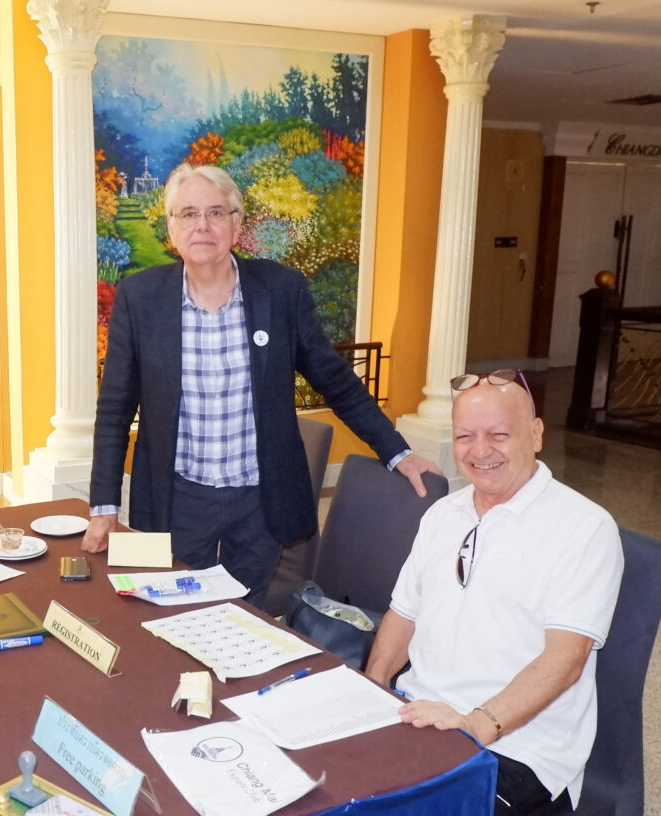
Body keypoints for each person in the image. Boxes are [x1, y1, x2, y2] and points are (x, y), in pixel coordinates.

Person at [83, 163, 438, 605]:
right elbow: (115, 409)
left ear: (236, 224)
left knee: (246, 613)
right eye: (188, 214)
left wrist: (396, 451)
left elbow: (335, 380)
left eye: (216, 212)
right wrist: (104, 506)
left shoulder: (281, 290)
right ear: (171, 228)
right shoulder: (140, 297)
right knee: (172, 609)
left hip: (259, 500)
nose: (202, 225)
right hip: (176, 498)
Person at [365, 370, 622, 816]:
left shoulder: (584, 528)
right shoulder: (444, 513)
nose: (480, 451)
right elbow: (404, 613)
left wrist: (473, 725)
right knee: (314, 800)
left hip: (515, 748)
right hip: (420, 715)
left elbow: (565, 662)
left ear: (536, 434)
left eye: (499, 434)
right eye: (465, 436)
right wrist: (372, 691)